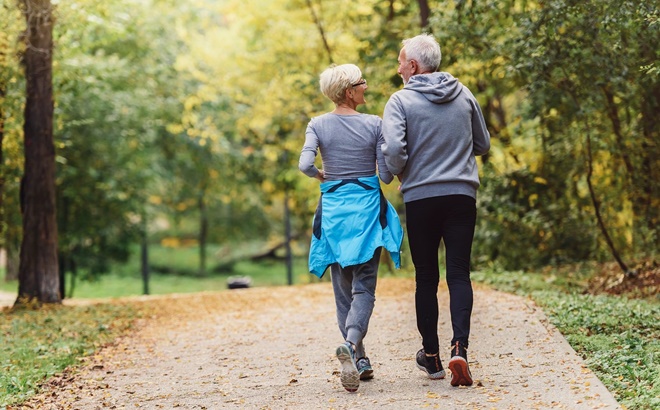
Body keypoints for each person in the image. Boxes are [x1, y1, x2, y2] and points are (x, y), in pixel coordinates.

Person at [381, 34, 490, 387]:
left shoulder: (400, 101)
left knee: (426, 277)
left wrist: (402, 172)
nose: (398, 68)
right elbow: (482, 143)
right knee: (459, 273)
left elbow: (394, 150)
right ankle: (461, 347)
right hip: (461, 195)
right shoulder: (465, 93)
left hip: (421, 199)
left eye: (401, 61)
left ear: (413, 65)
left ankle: (432, 358)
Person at [299, 64, 403, 393]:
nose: (366, 86)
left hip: (333, 214)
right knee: (365, 288)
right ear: (349, 92)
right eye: (361, 83)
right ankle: (352, 342)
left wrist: (322, 177)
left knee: (343, 290)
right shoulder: (374, 124)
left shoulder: (317, 124)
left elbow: (304, 164)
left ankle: (358, 357)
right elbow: (386, 176)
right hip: (367, 212)